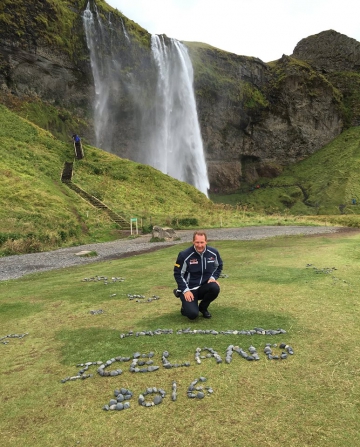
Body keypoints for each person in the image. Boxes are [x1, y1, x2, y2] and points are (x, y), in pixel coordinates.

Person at [173, 230, 223, 320]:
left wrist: (213, 277)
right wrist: (185, 290)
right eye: (197, 242)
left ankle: (203, 308)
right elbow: (178, 274)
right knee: (192, 315)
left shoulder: (213, 253)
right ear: (193, 242)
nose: (200, 245)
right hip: (189, 289)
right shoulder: (184, 255)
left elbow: (219, 266)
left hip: (203, 287)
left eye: (202, 242)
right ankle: (182, 297)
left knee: (215, 287)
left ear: (206, 241)